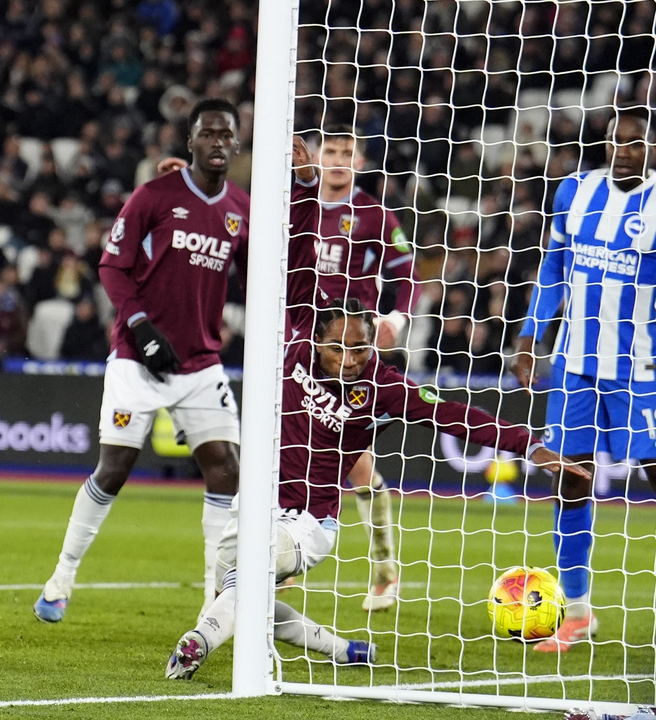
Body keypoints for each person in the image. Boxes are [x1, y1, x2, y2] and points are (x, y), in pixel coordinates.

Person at [166, 298, 589, 679]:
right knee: (242, 596)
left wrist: (529, 445)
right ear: (316, 342)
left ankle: (196, 643)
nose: (350, 360)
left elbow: (455, 415)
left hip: (308, 522)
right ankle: (343, 650)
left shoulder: (383, 388)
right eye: (338, 349)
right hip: (253, 503)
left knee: (248, 575)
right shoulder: (295, 349)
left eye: (361, 349)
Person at [33, 97, 258, 623]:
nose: (218, 142)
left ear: (237, 143)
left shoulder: (241, 208)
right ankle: (62, 577)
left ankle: (213, 599)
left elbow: (254, 275)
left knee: (227, 469)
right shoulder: (155, 195)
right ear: (190, 140)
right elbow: (112, 267)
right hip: (137, 357)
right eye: (208, 133)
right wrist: (140, 327)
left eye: (226, 134)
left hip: (200, 362)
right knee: (115, 468)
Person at [512, 106, 656, 653]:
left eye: (636, 142)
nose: (624, 151)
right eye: (617, 140)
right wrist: (530, 335)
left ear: (651, 148)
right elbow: (554, 267)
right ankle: (577, 613)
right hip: (574, 364)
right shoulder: (574, 190)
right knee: (570, 478)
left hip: (639, 368)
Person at [305, 125, 422, 611]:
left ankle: (385, 571)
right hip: (299, 346)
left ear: (360, 162)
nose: (337, 159)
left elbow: (407, 273)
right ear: (316, 156)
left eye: (347, 152)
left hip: (351, 353)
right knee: (286, 450)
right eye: (330, 150)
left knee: (354, 461)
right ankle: (280, 560)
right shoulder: (296, 205)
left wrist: (396, 318)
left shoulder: (374, 214)